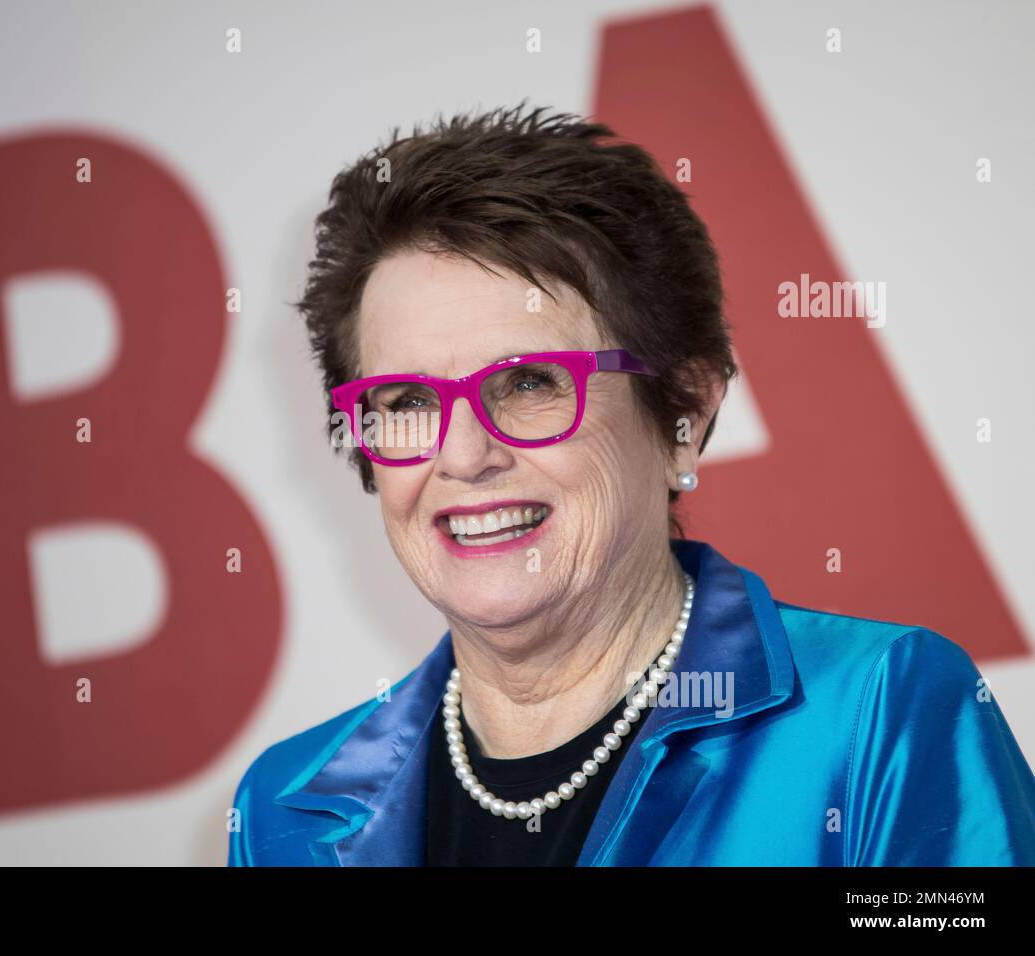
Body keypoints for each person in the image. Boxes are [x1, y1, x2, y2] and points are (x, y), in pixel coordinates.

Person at [228, 102, 1035, 866]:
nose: (464, 456)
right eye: (405, 402)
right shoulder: (284, 809)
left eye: (529, 383)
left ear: (682, 408)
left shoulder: (878, 716)